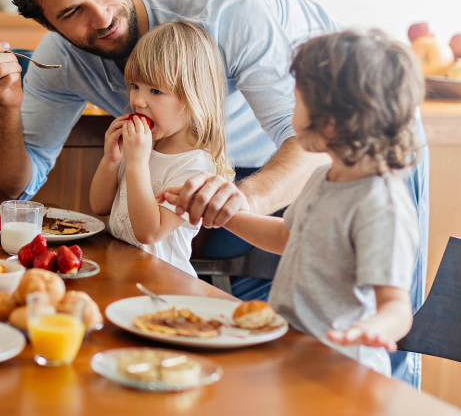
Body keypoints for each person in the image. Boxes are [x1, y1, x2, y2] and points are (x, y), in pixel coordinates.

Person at [0, 0, 429, 387]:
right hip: (252, 171)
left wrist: (233, 199)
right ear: (45, 21)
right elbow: (10, 188)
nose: (101, 17)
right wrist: (7, 105)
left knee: (381, 359)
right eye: (71, 13)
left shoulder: (222, 5)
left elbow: (309, 147)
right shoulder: (59, 58)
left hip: (354, 140)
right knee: (289, 336)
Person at [164, 29, 422, 376]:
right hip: (295, 351)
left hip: (343, 368)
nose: (291, 107)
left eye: (297, 98)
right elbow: (289, 237)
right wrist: (225, 215)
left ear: (333, 117)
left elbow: (397, 308)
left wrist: (373, 329)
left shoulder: (381, 204)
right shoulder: (325, 177)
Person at [89, 21, 232, 276]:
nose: (138, 101)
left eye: (155, 90)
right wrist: (111, 160)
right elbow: (99, 206)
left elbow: (149, 232)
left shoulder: (196, 166)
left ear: (193, 98)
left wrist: (135, 164)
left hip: (163, 283)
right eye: (134, 86)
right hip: (120, 270)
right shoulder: (143, 145)